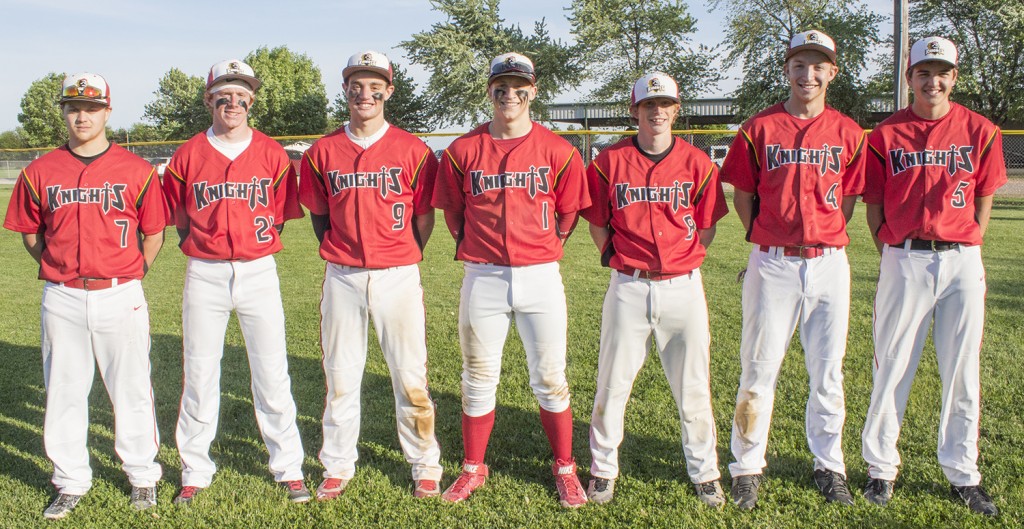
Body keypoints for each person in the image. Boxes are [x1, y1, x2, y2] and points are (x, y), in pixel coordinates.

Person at [431, 52, 590, 508]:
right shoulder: (463, 150)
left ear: (533, 91)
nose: (510, 93)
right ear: (489, 90)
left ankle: (565, 467)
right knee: (478, 378)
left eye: (519, 86)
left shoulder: (558, 149)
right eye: (501, 85)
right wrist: (482, 251)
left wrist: (544, 245)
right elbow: (454, 215)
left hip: (540, 275)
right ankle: (471, 468)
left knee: (550, 378)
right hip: (483, 275)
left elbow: (568, 214)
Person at [4, 72, 165, 519]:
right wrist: (58, 269)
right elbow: (31, 234)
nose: (82, 116)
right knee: (64, 389)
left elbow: (153, 233)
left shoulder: (136, 169)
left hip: (121, 292)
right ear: (64, 112)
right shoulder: (40, 170)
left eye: (92, 108)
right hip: (63, 295)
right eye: (74, 107)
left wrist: (132, 273)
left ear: (107, 112)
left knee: (131, 387)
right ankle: (70, 479)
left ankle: (142, 476)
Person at [720, 30, 866, 509]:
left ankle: (830, 466)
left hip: (829, 264)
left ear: (832, 73)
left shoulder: (847, 131)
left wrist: (821, 237)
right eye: (799, 64)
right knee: (758, 370)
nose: (808, 74)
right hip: (774, 263)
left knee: (828, 373)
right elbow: (743, 194)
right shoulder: (758, 128)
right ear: (787, 70)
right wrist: (766, 237)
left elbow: (846, 201)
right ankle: (745, 467)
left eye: (818, 65)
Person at [860, 36, 1004, 517]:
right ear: (910, 77)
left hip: (962, 258)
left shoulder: (981, 130)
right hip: (906, 257)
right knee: (892, 367)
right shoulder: (884, 134)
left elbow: (985, 192)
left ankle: (963, 474)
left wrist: (972, 238)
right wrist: (892, 246)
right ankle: (881, 469)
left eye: (941, 72)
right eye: (923, 71)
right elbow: (873, 204)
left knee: (962, 370)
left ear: (954, 78)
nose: (932, 80)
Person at [162, 59, 309, 504]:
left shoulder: (272, 153)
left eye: (241, 94)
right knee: (200, 372)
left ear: (251, 100)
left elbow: (280, 218)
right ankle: (195, 468)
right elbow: (180, 221)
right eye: (223, 93)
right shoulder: (187, 154)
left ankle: (288, 466)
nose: (233, 101)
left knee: (272, 372)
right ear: (208, 100)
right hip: (204, 273)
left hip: (259, 269)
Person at [299, 50, 444, 500]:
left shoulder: (413, 149)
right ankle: (338, 464)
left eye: (375, 83)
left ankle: (424, 464)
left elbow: (424, 218)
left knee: (409, 375)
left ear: (389, 90)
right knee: (341, 374)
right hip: (342, 275)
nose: (366, 92)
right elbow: (319, 216)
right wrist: (342, 251)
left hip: (397, 275)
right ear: (345, 90)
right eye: (357, 84)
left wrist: (400, 255)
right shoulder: (322, 151)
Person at [581, 72, 729, 507]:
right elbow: (597, 223)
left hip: (684, 288)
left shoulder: (698, 163)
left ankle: (705, 472)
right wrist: (619, 259)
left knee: (694, 386)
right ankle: (603, 470)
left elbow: (706, 227)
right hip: (629, 285)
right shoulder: (609, 162)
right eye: (649, 105)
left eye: (665, 104)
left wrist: (683, 264)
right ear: (635, 111)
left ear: (676, 110)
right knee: (613, 382)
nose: (657, 111)